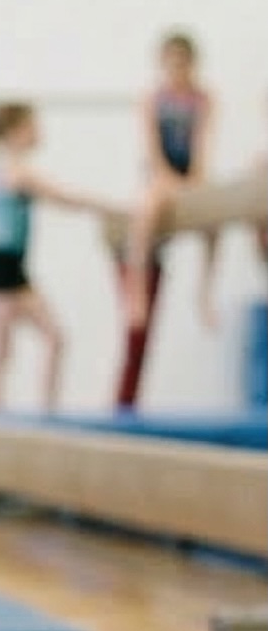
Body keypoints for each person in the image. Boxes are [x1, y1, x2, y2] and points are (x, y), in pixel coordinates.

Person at [0, 101, 118, 413]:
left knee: (34, 344)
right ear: (16, 132)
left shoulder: (5, 167)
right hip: (3, 267)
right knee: (16, 349)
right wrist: (110, 207)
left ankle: (41, 414)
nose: (39, 132)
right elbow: (65, 198)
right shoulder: (14, 171)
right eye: (33, 126)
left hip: (10, 266)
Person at [116, 32, 218, 406]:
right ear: (162, 64)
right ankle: (137, 291)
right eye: (170, 62)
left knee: (215, 219)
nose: (177, 69)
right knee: (145, 213)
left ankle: (205, 292)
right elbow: (153, 149)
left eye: (183, 62)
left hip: (190, 173)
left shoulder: (203, 99)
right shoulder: (152, 99)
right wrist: (167, 179)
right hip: (159, 174)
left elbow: (204, 144)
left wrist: (196, 182)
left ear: (193, 63)